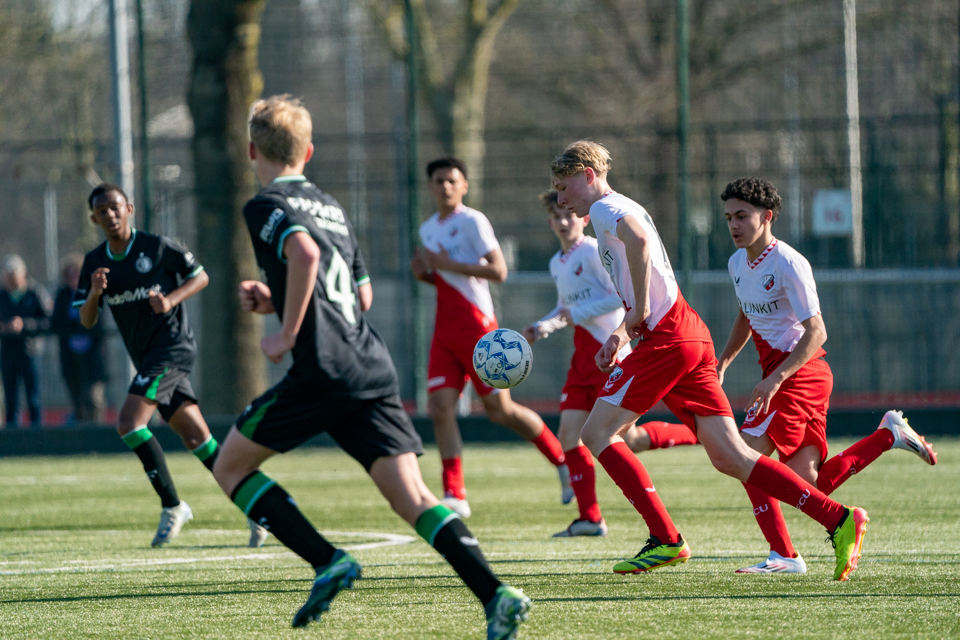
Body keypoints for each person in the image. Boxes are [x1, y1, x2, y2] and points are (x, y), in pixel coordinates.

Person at [212, 95, 530, 637]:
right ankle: (495, 594)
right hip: (369, 363)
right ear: (308, 151)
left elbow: (306, 257)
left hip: (324, 370)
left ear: (250, 150)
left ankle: (325, 559)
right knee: (415, 498)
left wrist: (285, 332)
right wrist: (278, 298)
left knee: (230, 467)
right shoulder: (332, 206)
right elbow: (358, 298)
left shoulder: (264, 205)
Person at [550, 140, 867, 581]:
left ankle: (665, 539)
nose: (562, 199)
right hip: (687, 333)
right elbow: (645, 264)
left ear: (588, 175)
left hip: (668, 337)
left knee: (597, 431)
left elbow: (640, 245)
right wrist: (625, 329)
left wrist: (637, 315)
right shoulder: (617, 208)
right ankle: (838, 519)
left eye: (564, 187)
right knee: (732, 456)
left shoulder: (604, 208)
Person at [716, 177, 938, 574]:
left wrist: (776, 379)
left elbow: (817, 331)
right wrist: (724, 363)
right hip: (784, 375)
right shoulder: (737, 263)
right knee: (808, 484)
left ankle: (783, 554)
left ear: (766, 217)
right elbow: (745, 315)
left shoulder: (788, 262)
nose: (734, 224)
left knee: (742, 455)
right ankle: (888, 435)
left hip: (801, 373)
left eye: (742, 216)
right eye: (729, 216)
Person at [76, 184, 267, 549]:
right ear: (94, 218)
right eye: (102, 211)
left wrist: (171, 300)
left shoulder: (158, 247)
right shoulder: (94, 263)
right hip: (147, 357)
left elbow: (201, 276)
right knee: (199, 439)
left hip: (172, 349)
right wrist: (95, 294)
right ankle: (258, 508)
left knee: (129, 423)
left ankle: (172, 506)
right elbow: (86, 320)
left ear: (129, 208)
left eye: (116, 207)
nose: (110, 215)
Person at [523, 190, 698, 538]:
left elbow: (613, 300)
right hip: (581, 356)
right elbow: (564, 309)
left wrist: (570, 316)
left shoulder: (591, 251)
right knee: (569, 435)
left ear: (583, 218)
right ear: (549, 222)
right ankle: (590, 517)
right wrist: (542, 325)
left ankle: (695, 434)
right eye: (555, 217)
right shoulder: (557, 262)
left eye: (567, 215)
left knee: (627, 438)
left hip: (610, 351)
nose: (562, 221)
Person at [411, 155, 569, 519]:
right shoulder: (428, 229)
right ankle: (455, 492)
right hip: (445, 329)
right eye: (439, 181)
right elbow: (443, 279)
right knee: (439, 408)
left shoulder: (473, 221)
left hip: (478, 327)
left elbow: (498, 271)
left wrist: (444, 264)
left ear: (464, 185)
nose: (446, 186)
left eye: (453, 180)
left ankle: (562, 461)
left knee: (500, 411)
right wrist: (425, 274)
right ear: (430, 186)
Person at [52, 254, 107, 423]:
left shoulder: (93, 293)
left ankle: (97, 432)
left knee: (93, 399)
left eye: (76, 273)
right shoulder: (62, 296)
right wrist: (75, 323)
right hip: (71, 358)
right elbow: (56, 321)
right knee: (77, 401)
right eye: (69, 274)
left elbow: (97, 321)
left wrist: (82, 321)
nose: (73, 277)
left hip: (92, 358)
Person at [0, 255, 50, 428]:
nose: (11, 281)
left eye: (14, 276)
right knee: (11, 399)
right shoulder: (2, 295)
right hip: (7, 353)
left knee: (33, 398)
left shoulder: (35, 293)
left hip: (30, 352)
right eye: (8, 277)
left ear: (23, 275)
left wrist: (25, 324)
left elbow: (48, 321)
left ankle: (38, 439)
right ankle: (12, 440)